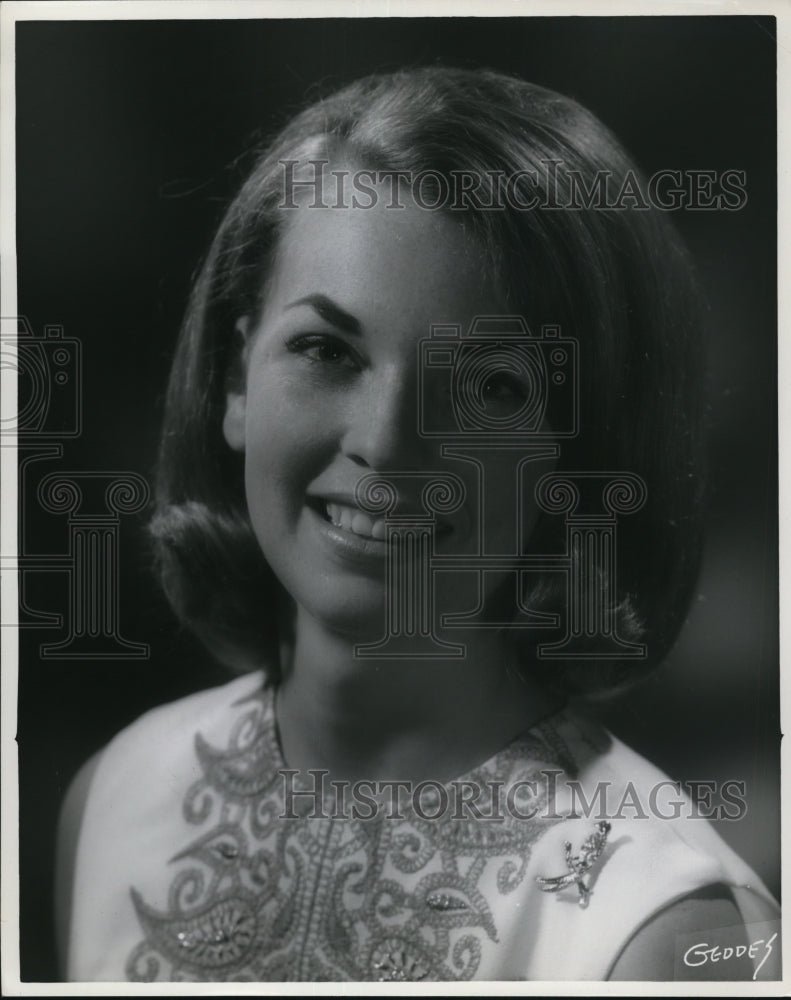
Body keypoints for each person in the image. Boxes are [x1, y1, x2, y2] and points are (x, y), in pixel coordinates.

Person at [55, 66, 780, 983]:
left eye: (485, 388)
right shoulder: (114, 799)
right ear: (238, 380)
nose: (388, 444)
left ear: (577, 457)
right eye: (325, 350)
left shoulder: (662, 931)